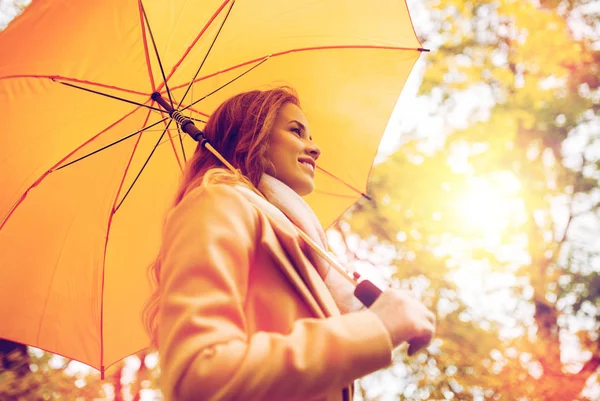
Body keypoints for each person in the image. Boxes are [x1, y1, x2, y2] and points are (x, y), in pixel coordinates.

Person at [143, 87, 436, 401]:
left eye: (310, 136)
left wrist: (377, 322)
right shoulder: (217, 202)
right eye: (297, 132)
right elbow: (199, 374)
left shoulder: (305, 250)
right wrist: (377, 328)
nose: (315, 148)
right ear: (253, 137)